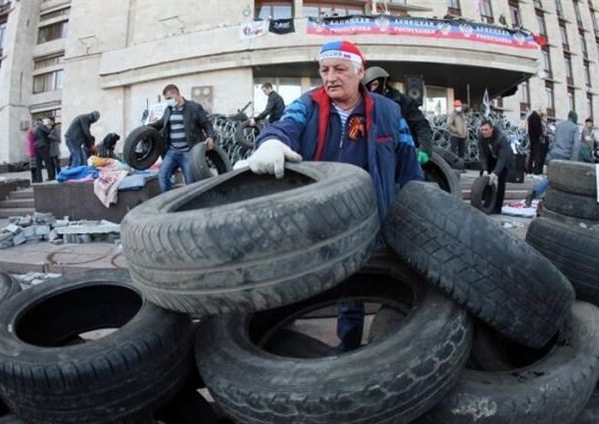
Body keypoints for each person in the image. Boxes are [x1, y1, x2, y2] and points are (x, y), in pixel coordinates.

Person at [249, 40, 423, 352]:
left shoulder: (389, 112)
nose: (330, 77)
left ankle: (349, 348)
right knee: (296, 278)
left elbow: (409, 167)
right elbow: (285, 125)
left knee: (354, 287)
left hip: (370, 215)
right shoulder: (308, 104)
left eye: (340, 69)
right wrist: (271, 142)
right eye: (324, 70)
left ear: (360, 72)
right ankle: (273, 340)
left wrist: (417, 210)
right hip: (316, 215)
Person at [149, 84, 215, 192]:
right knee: (162, 177)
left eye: (169, 98)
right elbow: (161, 123)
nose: (168, 101)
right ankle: (169, 201)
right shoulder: (169, 109)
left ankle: (191, 205)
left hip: (189, 152)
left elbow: (206, 124)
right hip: (172, 152)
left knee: (190, 182)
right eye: (166, 99)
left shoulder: (193, 107)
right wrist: (146, 128)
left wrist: (211, 137)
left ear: (177, 94)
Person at [362, 66, 433, 164]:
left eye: (376, 84)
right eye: (370, 86)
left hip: (405, 154)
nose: (373, 89)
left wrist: (425, 149)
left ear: (384, 83)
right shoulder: (365, 104)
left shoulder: (404, 102)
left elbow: (421, 125)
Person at [524, 111, 581, 206]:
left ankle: (534, 193)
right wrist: (573, 161)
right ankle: (548, 202)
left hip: (554, 155)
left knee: (550, 179)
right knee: (564, 182)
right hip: (565, 157)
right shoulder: (575, 128)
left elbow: (553, 141)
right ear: (575, 118)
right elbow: (576, 146)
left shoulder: (559, 125)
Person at [478, 119, 513, 214]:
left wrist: (495, 173)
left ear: (492, 129)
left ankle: (498, 207)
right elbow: (482, 155)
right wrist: (485, 169)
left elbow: (502, 159)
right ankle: (487, 201)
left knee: (501, 180)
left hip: (505, 158)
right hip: (492, 157)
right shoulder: (481, 137)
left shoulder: (501, 138)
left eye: (486, 130)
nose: (484, 132)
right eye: (482, 130)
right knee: (483, 174)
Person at [526, 108, 545, 174]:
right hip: (536, 139)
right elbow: (537, 128)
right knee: (537, 155)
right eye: (541, 114)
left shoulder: (531, 117)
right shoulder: (536, 118)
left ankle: (529, 169)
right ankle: (536, 170)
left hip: (532, 138)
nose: (541, 115)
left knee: (532, 155)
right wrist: (540, 135)